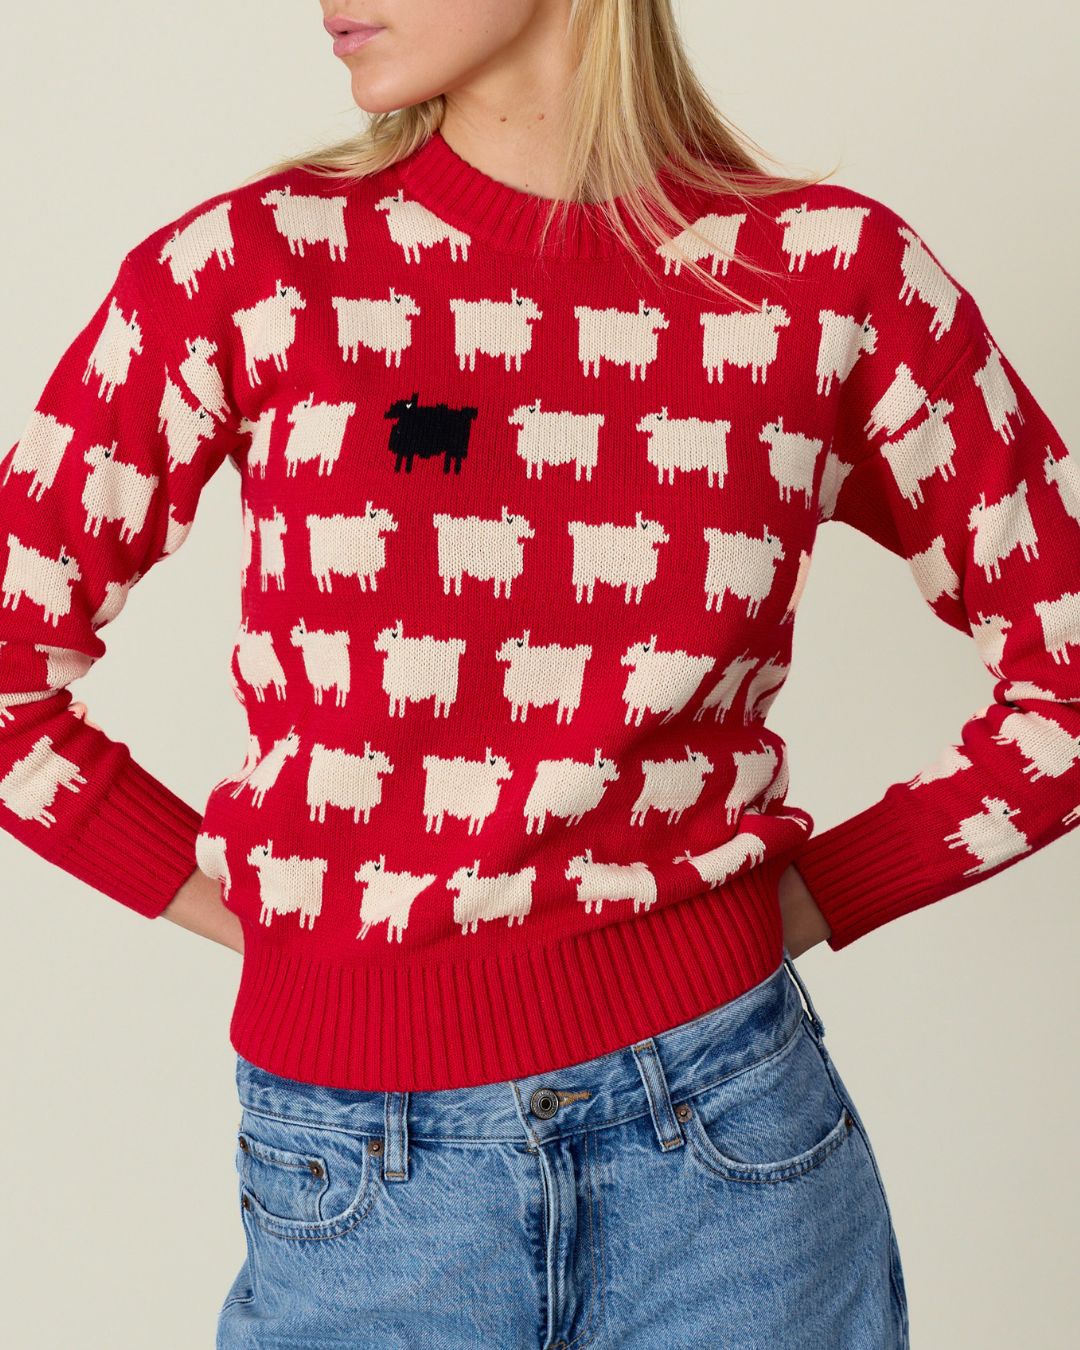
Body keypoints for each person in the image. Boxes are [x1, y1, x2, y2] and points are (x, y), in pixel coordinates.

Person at [2, 2, 1076, 1345]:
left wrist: (802, 900)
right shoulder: (250, 271)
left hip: (730, 1156)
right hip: (359, 1184)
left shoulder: (827, 277)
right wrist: (279, 925)